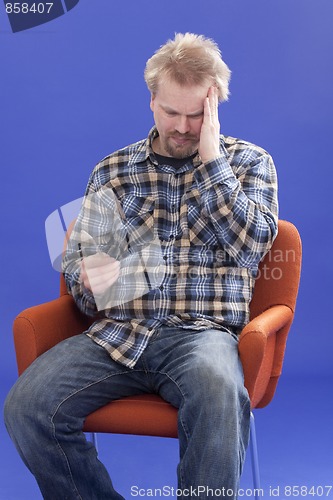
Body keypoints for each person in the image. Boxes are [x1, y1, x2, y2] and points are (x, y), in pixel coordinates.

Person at [4, 33, 278, 499]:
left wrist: (212, 163)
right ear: (152, 100)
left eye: (197, 115)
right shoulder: (113, 171)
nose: (184, 127)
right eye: (172, 112)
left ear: (215, 108)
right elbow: (84, 287)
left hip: (203, 335)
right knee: (26, 406)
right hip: (119, 333)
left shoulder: (251, 164)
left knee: (217, 393)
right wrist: (89, 280)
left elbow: (249, 247)